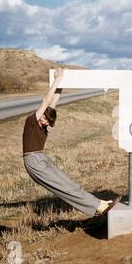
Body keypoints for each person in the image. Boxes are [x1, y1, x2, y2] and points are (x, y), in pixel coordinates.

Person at [22, 68, 117, 217]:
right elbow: (47, 101)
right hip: (32, 160)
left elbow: (54, 101)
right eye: (45, 118)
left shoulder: (45, 124)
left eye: (48, 120)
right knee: (64, 187)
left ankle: (100, 204)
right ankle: (97, 207)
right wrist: (57, 79)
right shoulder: (31, 122)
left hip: (42, 158)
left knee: (69, 183)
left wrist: (62, 83)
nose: (45, 121)